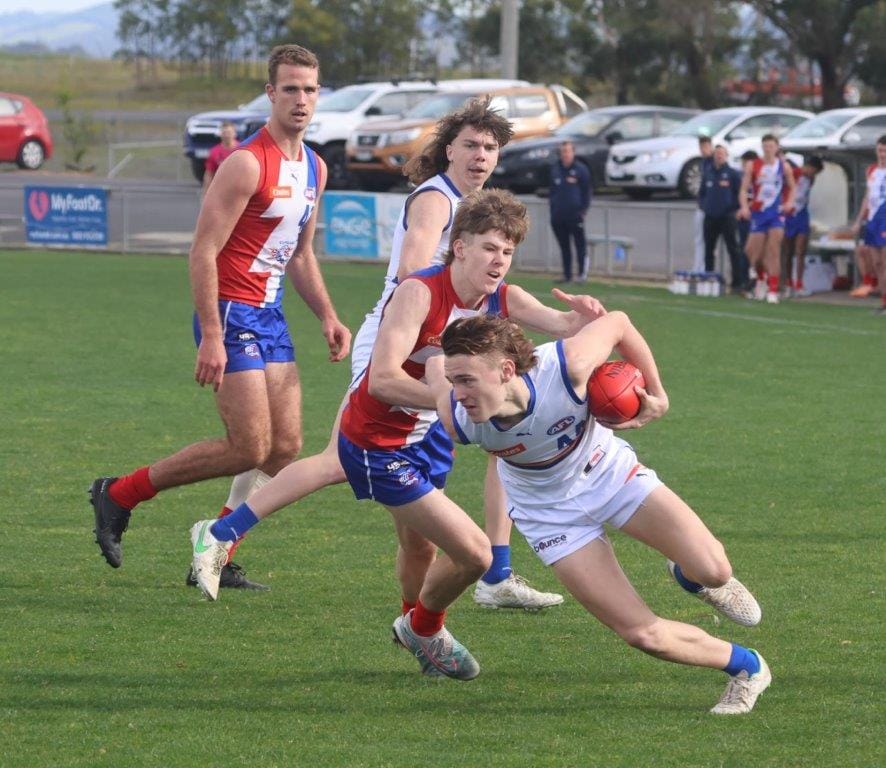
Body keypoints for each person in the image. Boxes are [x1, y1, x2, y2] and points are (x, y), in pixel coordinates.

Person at [190, 98, 596, 610]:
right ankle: (222, 534)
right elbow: (412, 274)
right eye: (471, 145)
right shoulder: (437, 199)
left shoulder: (477, 211)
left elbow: (511, 300)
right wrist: (452, 336)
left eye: (490, 148)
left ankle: (485, 579)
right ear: (449, 150)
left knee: (461, 482)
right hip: (401, 342)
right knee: (339, 459)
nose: (481, 156)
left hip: (442, 352)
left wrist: (581, 321)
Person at [192, 190, 607, 683]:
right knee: (474, 553)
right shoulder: (419, 293)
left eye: (508, 251)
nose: (499, 261)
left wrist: (585, 319)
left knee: (420, 548)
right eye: (489, 248)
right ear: (460, 247)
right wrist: (452, 400)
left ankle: (412, 626)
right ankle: (424, 629)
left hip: (428, 437)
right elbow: (382, 380)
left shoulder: (504, 298)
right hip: (378, 439)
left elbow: (564, 326)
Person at [89, 44, 351, 588]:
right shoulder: (247, 163)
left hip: (271, 314)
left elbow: (301, 254)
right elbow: (202, 250)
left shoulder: (316, 166)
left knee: (284, 448)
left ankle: (218, 547)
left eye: (310, 89)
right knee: (248, 447)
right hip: (231, 312)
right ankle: (119, 493)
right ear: (270, 93)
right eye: (290, 88)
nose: (301, 99)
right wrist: (211, 332)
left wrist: (327, 315)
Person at [430, 313, 770, 714]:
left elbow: (620, 323)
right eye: (454, 382)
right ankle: (748, 667)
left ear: (506, 370)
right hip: (549, 517)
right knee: (642, 634)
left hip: (611, 476)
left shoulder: (567, 366)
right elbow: (434, 368)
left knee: (715, 571)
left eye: (466, 380)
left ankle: (691, 575)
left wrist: (658, 394)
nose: (459, 393)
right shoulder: (459, 421)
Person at [738, 134, 795, 304]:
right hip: (758, 212)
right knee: (751, 250)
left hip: (776, 213)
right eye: (765, 146)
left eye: (771, 146)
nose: (768, 149)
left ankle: (773, 289)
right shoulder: (753, 165)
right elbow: (743, 189)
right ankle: (761, 277)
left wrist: (789, 203)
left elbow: (793, 187)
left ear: (776, 148)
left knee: (773, 250)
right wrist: (744, 207)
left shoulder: (783, 166)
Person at [849, 135, 886, 312]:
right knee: (877, 262)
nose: (882, 154)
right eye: (880, 150)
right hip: (872, 220)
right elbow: (868, 197)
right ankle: (884, 301)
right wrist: (859, 220)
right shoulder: (871, 170)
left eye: (885, 151)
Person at [700, 144, 742, 287]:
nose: (719, 156)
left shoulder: (732, 174)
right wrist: (704, 206)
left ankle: (737, 281)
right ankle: (708, 278)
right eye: (717, 153)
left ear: (726, 156)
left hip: (727, 217)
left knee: (733, 249)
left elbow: (739, 193)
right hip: (710, 217)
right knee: (709, 249)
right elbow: (702, 193)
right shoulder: (708, 173)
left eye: (721, 154)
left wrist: (732, 208)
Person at [549, 140, 591, 283]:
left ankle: (582, 274)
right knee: (564, 246)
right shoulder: (555, 169)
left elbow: (587, 191)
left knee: (580, 245)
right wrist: (553, 210)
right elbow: (552, 192)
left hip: (575, 215)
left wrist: (583, 210)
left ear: (573, 152)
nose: (565, 154)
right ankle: (567, 275)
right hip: (558, 216)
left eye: (567, 151)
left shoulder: (581, 169)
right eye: (563, 151)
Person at [782, 155, 824, 298]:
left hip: (802, 215)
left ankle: (799, 283)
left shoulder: (811, 179)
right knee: (788, 251)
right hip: (789, 214)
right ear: (809, 167)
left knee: (801, 250)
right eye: (814, 171)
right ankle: (788, 283)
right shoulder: (793, 173)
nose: (813, 175)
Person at [692, 136, 714, 273]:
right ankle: (698, 267)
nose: (703, 150)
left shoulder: (713, 162)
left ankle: (704, 268)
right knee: (699, 239)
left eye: (706, 147)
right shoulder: (703, 163)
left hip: (710, 208)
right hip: (702, 206)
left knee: (707, 241)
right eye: (701, 147)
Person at [202, 121, 239, 194]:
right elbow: (209, 174)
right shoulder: (214, 151)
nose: (227, 135)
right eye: (224, 133)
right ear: (220, 134)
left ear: (234, 133)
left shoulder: (242, 149)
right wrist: (205, 193)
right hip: (221, 190)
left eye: (229, 132)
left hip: (238, 190)